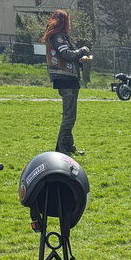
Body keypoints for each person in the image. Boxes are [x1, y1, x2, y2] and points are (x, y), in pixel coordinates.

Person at [41, 9, 91, 156]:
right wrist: (83, 50)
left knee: (70, 115)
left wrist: (79, 60)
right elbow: (66, 55)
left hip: (68, 78)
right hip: (65, 79)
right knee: (69, 116)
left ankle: (68, 146)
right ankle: (62, 148)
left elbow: (68, 57)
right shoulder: (58, 37)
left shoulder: (58, 37)